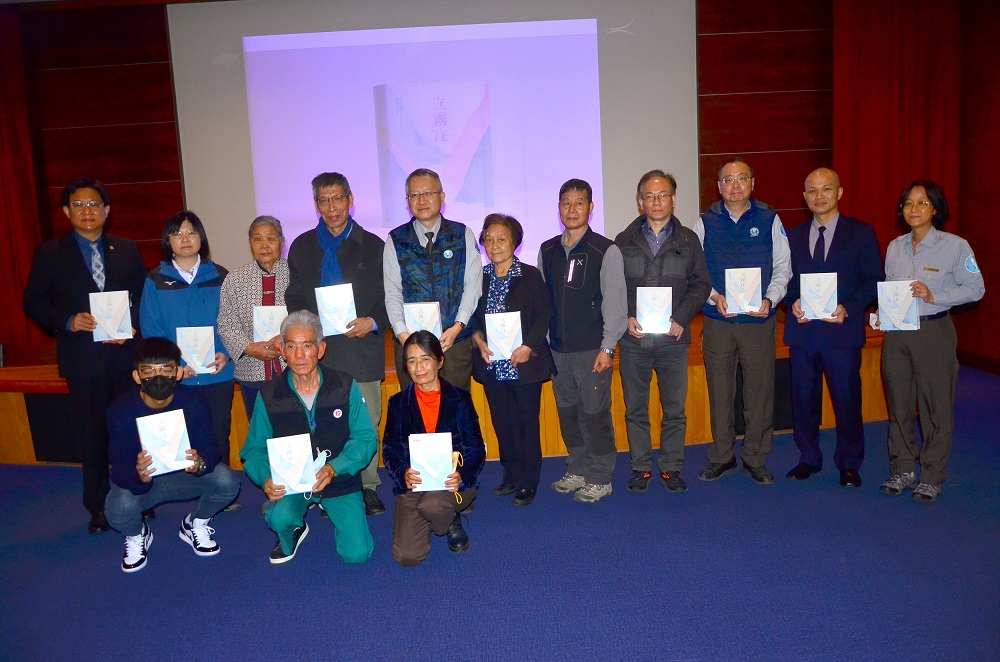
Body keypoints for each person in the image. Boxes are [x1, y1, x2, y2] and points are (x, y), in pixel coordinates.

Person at [23, 178, 147, 534]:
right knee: (93, 435)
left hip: (125, 357)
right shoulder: (49, 253)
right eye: (79, 205)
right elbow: (32, 301)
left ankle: (137, 496)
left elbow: (142, 296)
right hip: (83, 360)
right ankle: (99, 506)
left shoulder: (126, 248)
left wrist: (132, 325)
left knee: (129, 430)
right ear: (67, 211)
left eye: (94, 204)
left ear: (107, 210)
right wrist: (67, 320)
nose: (88, 211)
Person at [286, 172, 389, 517]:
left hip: (360, 349)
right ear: (316, 204)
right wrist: (307, 326)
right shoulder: (301, 246)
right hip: (316, 353)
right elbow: (295, 294)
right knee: (323, 422)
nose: (332, 207)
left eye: (338, 199)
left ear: (350, 199)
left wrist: (371, 322)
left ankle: (369, 486)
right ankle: (325, 485)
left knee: (366, 420)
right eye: (324, 200)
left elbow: (388, 297)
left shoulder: (374, 245)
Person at [877, 180, 984, 503]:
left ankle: (932, 474)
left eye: (921, 203)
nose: (914, 209)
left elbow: (975, 288)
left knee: (935, 407)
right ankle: (903, 469)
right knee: (899, 404)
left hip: (933, 332)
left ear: (935, 208)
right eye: (908, 204)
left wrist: (934, 294)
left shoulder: (955, 246)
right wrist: (884, 313)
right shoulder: (895, 246)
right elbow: (889, 288)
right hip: (897, 335)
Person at [240, 311, 376, 564]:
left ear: (321, 349)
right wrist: (266, 478)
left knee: (357, 555)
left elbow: (365, 439)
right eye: (291, 346)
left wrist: (335, 468)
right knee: (278, 518)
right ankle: (292, 530)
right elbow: (254, 450)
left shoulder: (345, 386)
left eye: (307, 346)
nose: (300, 355)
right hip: (291, 483)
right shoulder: (269, 395)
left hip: (337, 478)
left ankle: (327, 504)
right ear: (282, 350)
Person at [693, 158, 791, 485]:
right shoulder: (705, 222)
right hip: (718, 320)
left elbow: (783, 267)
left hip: (758, 322)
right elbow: (696, 272)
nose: (735, 186)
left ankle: (755, 456)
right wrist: (713, 296)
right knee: (720, 392)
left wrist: (770, 300)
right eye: (728, 180)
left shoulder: (769, 219)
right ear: (718, 185)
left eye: (741, 179)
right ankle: (722, 457)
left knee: (759, 393)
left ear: (752, 183)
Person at [784, 168, 883, 488]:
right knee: (803, 400)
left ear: (839, 192)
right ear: (804, 197)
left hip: (842, 332)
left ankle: (849, 462)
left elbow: (873, 280)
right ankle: (808, 457)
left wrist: (849, 308)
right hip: (803, 333)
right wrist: (792, 301)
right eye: (812, 191)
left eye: (826, 189)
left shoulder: (861, 233)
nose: (819, 196)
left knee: (847, 400)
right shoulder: (793, 236)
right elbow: (784, 281)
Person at [104, 338, 240, 572]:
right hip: (146, 483)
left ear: (178, 373)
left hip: (185, 476)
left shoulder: (193, 400)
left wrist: (200, 464)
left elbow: (211, 448)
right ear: (137, 376)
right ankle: (137, 535)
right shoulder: (120, 411)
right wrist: (139, 477)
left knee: (227, 481)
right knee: (116, 508)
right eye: (149, 372)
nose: (158, 378)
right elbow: (120, 469)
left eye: (166, 370)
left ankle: (196, 522)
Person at [614, 171, 711, 494]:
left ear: (673, 199)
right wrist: (626, 316)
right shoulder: (622, 240)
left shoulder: (688, 239)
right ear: (640, 202)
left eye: (663, 195)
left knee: (674, 409)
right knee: (635, 408)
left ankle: (671, 467)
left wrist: (682, 317)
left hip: (673, 340)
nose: (657, 201)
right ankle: (640, 468)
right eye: (650, 196)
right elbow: (612, 288)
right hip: (634, 340)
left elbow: (701, 284)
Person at [139, 211, 238, 509]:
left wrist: (227, 351)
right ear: (168, 241)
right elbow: (151, 329)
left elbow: (233, 320)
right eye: (177, 233)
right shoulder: (155, 279)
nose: (185, 239)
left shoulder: (220, 275)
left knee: (218, 431)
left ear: (201, 238)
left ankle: (220, 492)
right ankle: (185, 489)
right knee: (182, 434)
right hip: (176, 375)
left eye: (191, 232)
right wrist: (174, 366)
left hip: (217, 372)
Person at [539, 179, 628, 503]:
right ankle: (577, 468)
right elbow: (543, 301)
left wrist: (607, 348)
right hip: (558, 351)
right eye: (566, 202)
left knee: (595, 415)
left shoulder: (605, 250)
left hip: (592, 351)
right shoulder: (547, 250)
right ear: (559, 207)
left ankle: (601, 477)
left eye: (579, 203)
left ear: (591, 207)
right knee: (568, 414)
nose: (572, 209)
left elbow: (616, 306)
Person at [470, 214, 554, 506]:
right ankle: (511, 476)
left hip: (524, 364)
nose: (494, 245)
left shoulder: (529, 275)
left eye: (501, 239)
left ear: (515, 242)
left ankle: (528, 482)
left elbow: (544, 314)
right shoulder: (478, 277)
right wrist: (478, 339)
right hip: (493, 364)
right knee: (503, 423)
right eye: (489, 239)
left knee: (526, 424)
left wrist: (529, 346)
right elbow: (470, 317)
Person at [382, 331, 486, 566]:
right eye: (411, 360)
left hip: (453, 484)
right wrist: (402, 474)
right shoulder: (397, 403)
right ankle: (436, 514)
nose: (419, 367)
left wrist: (463, 475)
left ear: (440, 362)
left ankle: (450, 517)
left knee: (433, 505)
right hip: (415, 485)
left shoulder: (460, 399)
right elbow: (390, 448)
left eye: (425, 358)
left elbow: (476, 448)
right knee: (407, 557)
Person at [383, 168, 483, 391]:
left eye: (428, 193)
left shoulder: (461, 234)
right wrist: (404, 337)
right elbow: (392, 293)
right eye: (414, 195)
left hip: (453, 342)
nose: (422, 200)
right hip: (410, 345)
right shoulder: (396, 239)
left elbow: (473, 286)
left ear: (442, 197)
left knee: (456, 411)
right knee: (416, 415)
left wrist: (458, 327)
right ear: (407, 200)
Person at [217, 216, 289, 419]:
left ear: (282, 242)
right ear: (250, 244)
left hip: (293, 367)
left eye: (271, 238)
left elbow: (307, 315)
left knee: (296, 434)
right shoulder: (235, 279)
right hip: (252, 370)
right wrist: (248, 348)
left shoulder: (297, 273)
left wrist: (287, 340)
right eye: (257, 239)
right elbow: (226, 323)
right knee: (261, 436)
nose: (264, 245)